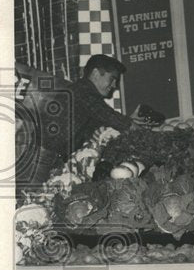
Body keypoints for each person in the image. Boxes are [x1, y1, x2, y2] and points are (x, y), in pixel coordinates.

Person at [18, 54, 161, 184]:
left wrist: (132, 122)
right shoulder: (83, 91)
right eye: (112, 79)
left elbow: (107, 122)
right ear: (96, 73)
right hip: (41, 156)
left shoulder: (84, 94)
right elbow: (110, 117)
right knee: (28, 196)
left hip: (45, 155)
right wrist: (152, 138)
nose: (114, 86)